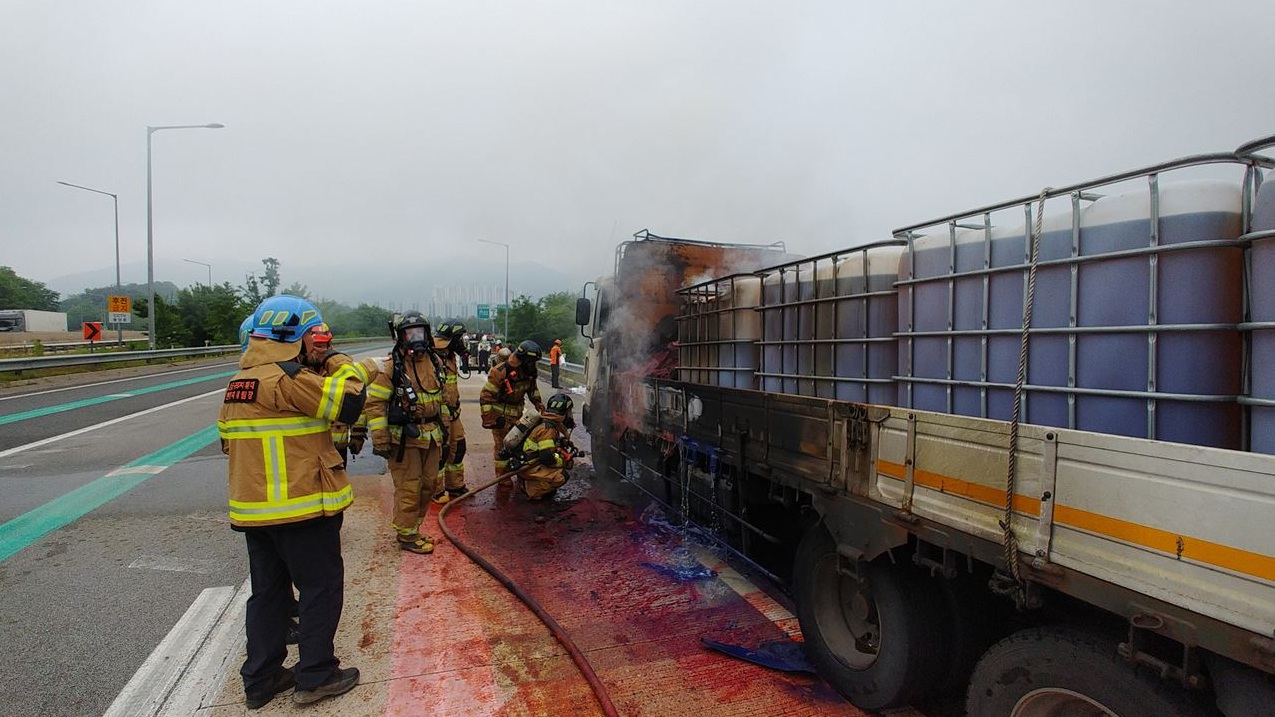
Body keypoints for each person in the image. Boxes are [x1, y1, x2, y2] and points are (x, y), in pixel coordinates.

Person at [217, 295, 364, 709]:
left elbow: (227, 442)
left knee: (268, 594)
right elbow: (350, 402)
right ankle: (315, 675)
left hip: (255, 512)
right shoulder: (288, 380)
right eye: (311, 337)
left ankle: (261, 679)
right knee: (320, 589)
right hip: (300, 507)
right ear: (295, 337)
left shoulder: (239, 383)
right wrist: (335, 359)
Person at [363, 311, 447, 554]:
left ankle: (413, 528)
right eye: (410, 333)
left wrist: (447, 431)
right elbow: (375, 404)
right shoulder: (390, 368)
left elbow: (440, 400)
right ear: (400, 336)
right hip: (404, 441)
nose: (416, 338)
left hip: (431, 436)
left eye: (420, 332)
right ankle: (406, 534)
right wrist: (381, 440)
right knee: (409, 487)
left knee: (429, 485)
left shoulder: (435, 362)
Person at [300, 322, 365, 469]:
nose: (321, 351)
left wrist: (358, 433)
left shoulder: (340, 367)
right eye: (317, 346)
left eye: (325, 346)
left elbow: (357, 399)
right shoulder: (299, 371)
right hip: (307, 445)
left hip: (337, 444)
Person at [480, 340, 544, 478]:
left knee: (519, 444)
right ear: (524, 360)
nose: (534, 365)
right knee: (502, 448)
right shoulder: (500, 372)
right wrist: (489, 419)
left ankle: (519, 471)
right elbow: (486, 396)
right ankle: (503, 477)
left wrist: (538, 403)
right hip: (500, 417)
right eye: (532, 362)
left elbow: (533, 390)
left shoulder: (529, 372)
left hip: (518, 415)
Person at [431, 318, 470, 504]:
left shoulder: (449, 354)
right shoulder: (433, 355)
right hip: (439, 415)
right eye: (460, 338)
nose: (462, 342)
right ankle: (436, 491)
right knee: (441, 453)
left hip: (454, 412)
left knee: (458, 448)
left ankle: (455, 486)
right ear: (452, 338)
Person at [512, 392, 578, 499]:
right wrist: (564, 461)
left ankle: (530, 480)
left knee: (558, 463)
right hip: (529, 466)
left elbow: (545, 445)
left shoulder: (546, 421)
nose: (570, 415)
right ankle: (532, 489)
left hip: (526, 462)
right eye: (569, 412)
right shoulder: (548, 429)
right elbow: (547, 457)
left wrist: (561, 442)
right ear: (564, 413)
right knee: (561, 476)